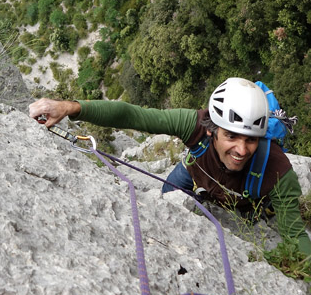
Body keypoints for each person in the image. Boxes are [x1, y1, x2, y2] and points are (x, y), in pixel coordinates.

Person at [29, 77, 311, 260]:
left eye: (251, 140)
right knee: (167, 202)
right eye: (231, 136)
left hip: (240, 201)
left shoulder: (277, 170)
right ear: (212, 130)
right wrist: (68, 107)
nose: (241, 149)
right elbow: (134, 115)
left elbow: (295, 235)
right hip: (192, 175)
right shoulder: (194, 124)